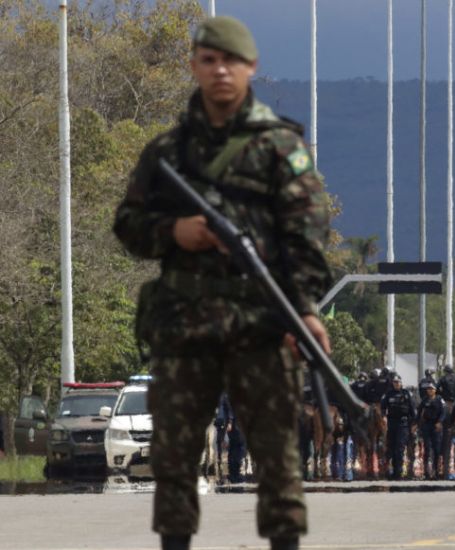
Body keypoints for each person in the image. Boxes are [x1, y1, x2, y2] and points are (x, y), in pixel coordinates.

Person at [113, 16, 333, 550]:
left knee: (278, 457)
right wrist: (174, 232)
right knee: (174, 457)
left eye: (230, 61)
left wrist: (304, 311)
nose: (220, 71)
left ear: (250, 68)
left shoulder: (280, 147)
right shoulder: (167, 153)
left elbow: (306, 238)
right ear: (194, 67)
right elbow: (128, 225)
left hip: (260, 326)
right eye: (208, 61)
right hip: (185, 330)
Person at [381, 375, 416, 480]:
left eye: (398, 382)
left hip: (403, 423)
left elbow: (412, 410)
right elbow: (383, 407)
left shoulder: (406, 394)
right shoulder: (388, 394)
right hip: (392, 423)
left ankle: (399, 472)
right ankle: (391, 471)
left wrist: (413, 424)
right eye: (395, 382)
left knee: (400, 448)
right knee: (391, 447)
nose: (396, 384)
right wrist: (383, 417)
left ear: (401, 383)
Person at [416, 383, 446, 479]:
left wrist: (440, 422)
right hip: (426, 426)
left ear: (435, 390)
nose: (429, 390)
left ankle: (436, 471)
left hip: (436, 426)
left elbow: (443, 412)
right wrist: (415, 423)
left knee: (437, 449)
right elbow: (419, 412)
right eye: (428, 389)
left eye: (431, 389)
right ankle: (426, 472)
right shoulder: (424, 400)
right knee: (427, 449)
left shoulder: (439, 399)